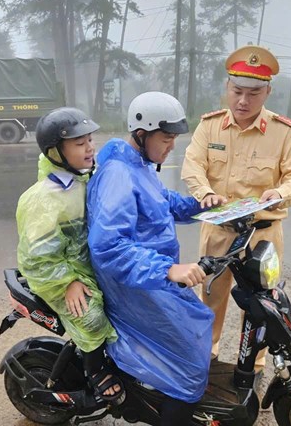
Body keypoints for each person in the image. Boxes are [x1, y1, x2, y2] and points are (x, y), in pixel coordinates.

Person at [87, 92, 219, 424]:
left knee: (197, 326)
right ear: (142, 134)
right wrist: (169, 270)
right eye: (167, 138)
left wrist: (203, 206)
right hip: (133, 283)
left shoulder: (140, 165)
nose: (172, 145)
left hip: (151, 275)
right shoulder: (119, 174)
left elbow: (164, 203)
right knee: (188, 359)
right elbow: (108, 247)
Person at [181, 45, 291, 369]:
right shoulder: (210, 126)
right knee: (211, 298)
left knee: (258, 306)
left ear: (267, 91)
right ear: (227, 88)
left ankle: (252, 367)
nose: (243, 101)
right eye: (237, 91)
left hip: (262, 235)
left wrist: (280, 192)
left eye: (253, 93)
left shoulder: (285, 132)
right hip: (219, 230)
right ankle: (208, 357)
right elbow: (192, 165)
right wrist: (205, 192)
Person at [16, 107, 123, 403]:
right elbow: (38, 258)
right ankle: (96, 370)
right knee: (91, 317)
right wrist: (68, 283)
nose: (90, 148)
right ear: (55, 152)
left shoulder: (83, 178)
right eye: (80, 144)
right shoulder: (44, 199)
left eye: (90, 140)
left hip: (86, 264)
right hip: (59, 275)